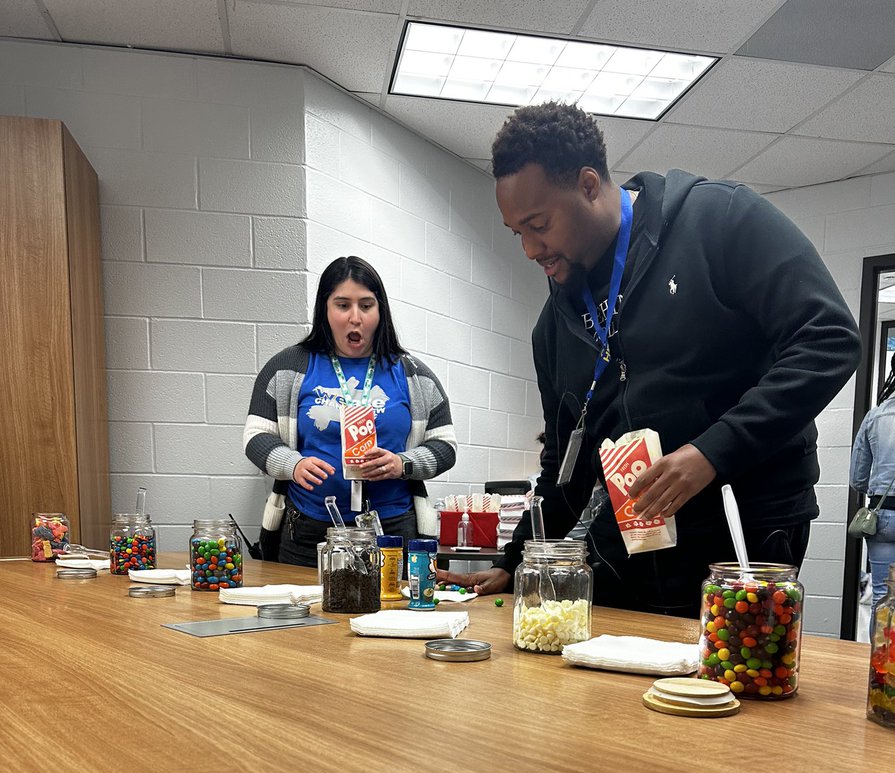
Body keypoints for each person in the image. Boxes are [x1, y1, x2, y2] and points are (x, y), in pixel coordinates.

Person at [439, 102, 861, 616]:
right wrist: (515, 555)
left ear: (589, 185)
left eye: (539, 224)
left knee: (730, 682)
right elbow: (564, 465)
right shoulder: (553, 327)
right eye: (517, 233)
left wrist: (711, 454)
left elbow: (830, 339)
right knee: (606, 682)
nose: (530, 249)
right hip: (634, 539)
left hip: (743, 525)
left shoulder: (719, 220)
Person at [244, 255, 456, 566]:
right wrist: (293, 464)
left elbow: (445, 446)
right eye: (343, 305)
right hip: (308, 530)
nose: (355, 317)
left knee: (389, 614)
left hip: (392, 532)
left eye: (366, 305)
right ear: (325, 310)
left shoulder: (414, 375)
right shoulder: (287, 368)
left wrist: (402, 464)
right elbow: (255, 436)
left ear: (380, 311)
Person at [850, 346, 895, 625]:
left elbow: (857, 479)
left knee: (884, 598)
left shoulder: (876, 415)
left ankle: (882, 667)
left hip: (883, 519)